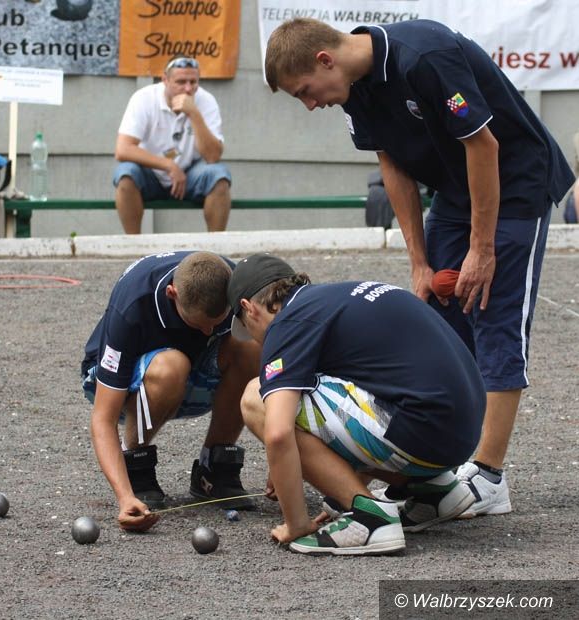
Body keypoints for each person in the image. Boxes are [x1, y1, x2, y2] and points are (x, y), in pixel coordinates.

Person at [264, 18, 575, 519]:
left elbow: (484, 145)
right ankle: (440, 472)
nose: (310, 104)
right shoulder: (353, 90)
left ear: (325, 60)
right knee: (438, 318)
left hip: (516, 184)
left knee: (494, 316)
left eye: (304, 91)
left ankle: (489, 476)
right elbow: (392, 164)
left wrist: (482, 249)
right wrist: (419, 263)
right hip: (453, 191)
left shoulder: (425, 56)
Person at [228, 253, 486, 555]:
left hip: (421, 428)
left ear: (249, 308)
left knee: (256, 398)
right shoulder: (335, 298)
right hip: (460, 432)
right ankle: (431, 491)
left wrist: (296, 523)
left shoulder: (288, 322)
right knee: (300, 393)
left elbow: (277, 433)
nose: (255, 339)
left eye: (246, 327)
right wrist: (325, 481)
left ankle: (370, 519)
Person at [81, 251, 260, 532]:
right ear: (171, 293)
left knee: (252, 345)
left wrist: (284, 464)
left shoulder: (235, 283)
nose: (208, 331)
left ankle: (213, 468)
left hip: (196, 370)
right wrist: (124, 497)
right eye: (198, 323)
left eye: (216, 322)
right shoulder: (133, 304)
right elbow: (103, 418)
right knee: (172, 366)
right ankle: (136, 463)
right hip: (128, 381)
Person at [113, 56, 232, 234]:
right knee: (126, 173)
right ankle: (134, 243)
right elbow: (123, 150)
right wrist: (169, 165)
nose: (188, 89)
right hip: (150, 175)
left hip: (191, 173)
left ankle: (215, 245)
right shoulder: (144, 98)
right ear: (165, 80)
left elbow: (213, 156)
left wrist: (194, 114)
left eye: (193, 82)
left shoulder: (206, 100)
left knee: (219, 175)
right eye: (181, 82)